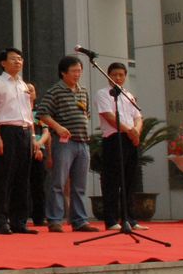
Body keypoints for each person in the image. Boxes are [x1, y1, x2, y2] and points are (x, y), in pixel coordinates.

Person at [36, 55, 99, 233]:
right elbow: (42, 113)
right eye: (74, 71)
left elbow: (86, 114)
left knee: (79, 185)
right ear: (63, 73)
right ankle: (55, 220)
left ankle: (79, 220)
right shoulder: (55, 91)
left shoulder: (83, 91)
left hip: (82, 142)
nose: (77, 74)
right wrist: (58, 127)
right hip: (64, 142)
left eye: (79, 71)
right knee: (58, 182)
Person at [0, 47, 37, 235]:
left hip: (25, 132)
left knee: (22, 179)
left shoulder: (24, 85)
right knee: (4, 178)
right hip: (6, 131)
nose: (18, 62)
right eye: (13, 59)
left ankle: (19, 222)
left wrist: (33, 137)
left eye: (20, 59)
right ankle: (1, 222)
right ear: (3, 63)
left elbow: (28, 113)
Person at [95, 62, 147, 231]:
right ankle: (111, 220)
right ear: (108, 75)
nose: (118, 78)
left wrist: (136, 131)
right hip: (113, 139)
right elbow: (109, 116)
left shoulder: (128, 95)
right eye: (114, 74)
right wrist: (130, 131)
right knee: (112, 181)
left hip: (131, 140)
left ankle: (130, 219)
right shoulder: (103, 94)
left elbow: (138, 117)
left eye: (121, 75)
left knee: (130, 180)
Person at [28, 83, 50, 227]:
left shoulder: (39, 112)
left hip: (38, 152)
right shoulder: (17, 111)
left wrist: (39, 145)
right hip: (23, 150)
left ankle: (39, 217)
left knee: (39, 186)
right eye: (26, 90)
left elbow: (46, 132)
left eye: (31, 90)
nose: (29, 93)